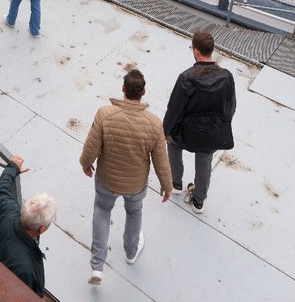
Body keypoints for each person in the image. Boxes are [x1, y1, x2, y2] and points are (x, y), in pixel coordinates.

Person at [79, 69, 172, 286]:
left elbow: (91, 146)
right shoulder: (154, 124)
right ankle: (131, 252)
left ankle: (97, 266)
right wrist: (167, 186)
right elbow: (161, 161)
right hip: (135, 185)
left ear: (123, 88)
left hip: (106, 180)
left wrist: (85, 164)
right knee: (134, 212)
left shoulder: (104, 114)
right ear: (144, 92)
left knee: (101, 211)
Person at [162, 30, 236, 214]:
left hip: (186, 133)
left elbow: (174, 108)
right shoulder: (227, 77)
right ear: (212, 50)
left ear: (195, 51)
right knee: (204, 162)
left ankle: (176, 183)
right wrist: (220, 127)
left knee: (172, 145)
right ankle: (198, 202)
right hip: (211, 133)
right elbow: (231, 107)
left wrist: (167, 131)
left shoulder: (186, 78)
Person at [0, 155, 54, 297]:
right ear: (41, 228)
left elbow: (2, 189)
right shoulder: (25, 270)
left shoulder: (10, 212)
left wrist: (13, 167)